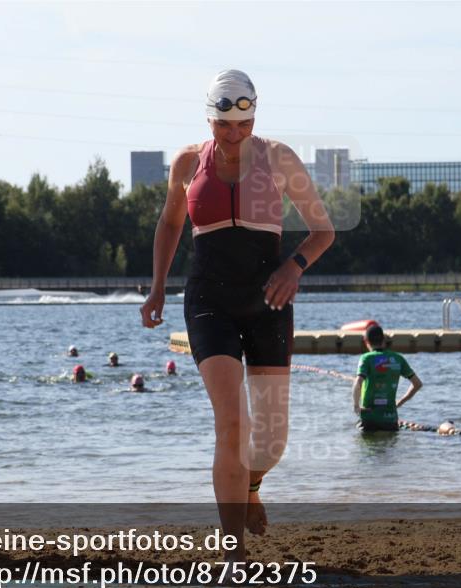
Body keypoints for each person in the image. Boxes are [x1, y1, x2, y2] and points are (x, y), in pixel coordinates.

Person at [139, 69, 335, 560]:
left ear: (254, 119)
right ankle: (234, 553)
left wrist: (294, 266)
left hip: (268, 301)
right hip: (209, 301)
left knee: (270, 443)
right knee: (232, 423)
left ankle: (249, 488)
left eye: (243, 126)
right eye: (224, 126)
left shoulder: (279, 159)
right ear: (210, 119)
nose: (233, 136)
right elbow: (169, 223)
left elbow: (323, 230)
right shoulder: (187, 163)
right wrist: (158, 287)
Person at [353, 324, 422, 432]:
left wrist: (356, 407)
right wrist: (399, 402)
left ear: (366, 341)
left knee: (367, 447)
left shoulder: (366, 358)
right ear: (383, 339)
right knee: (389, 447)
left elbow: (357, 384)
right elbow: (417, 384)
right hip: (390, 420)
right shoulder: (398, 358)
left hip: (369, 419)